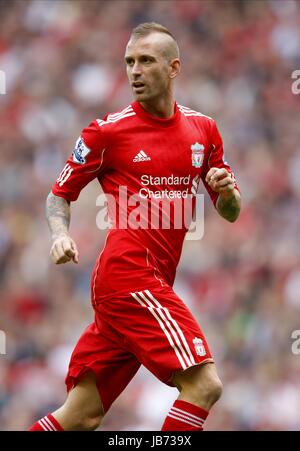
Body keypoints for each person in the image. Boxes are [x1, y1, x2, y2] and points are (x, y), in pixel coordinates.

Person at [29, 22, 241, 432]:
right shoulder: (108, 131)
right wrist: (59, 234)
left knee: (81, 416)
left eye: (146, 61)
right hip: (129, 274)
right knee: (204, 385)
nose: (134, 71)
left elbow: (230, 211)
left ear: (174, 67)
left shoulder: (203, 129)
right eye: (129, 62)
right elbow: (59, 193)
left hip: (144, 282)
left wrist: (227, 191)